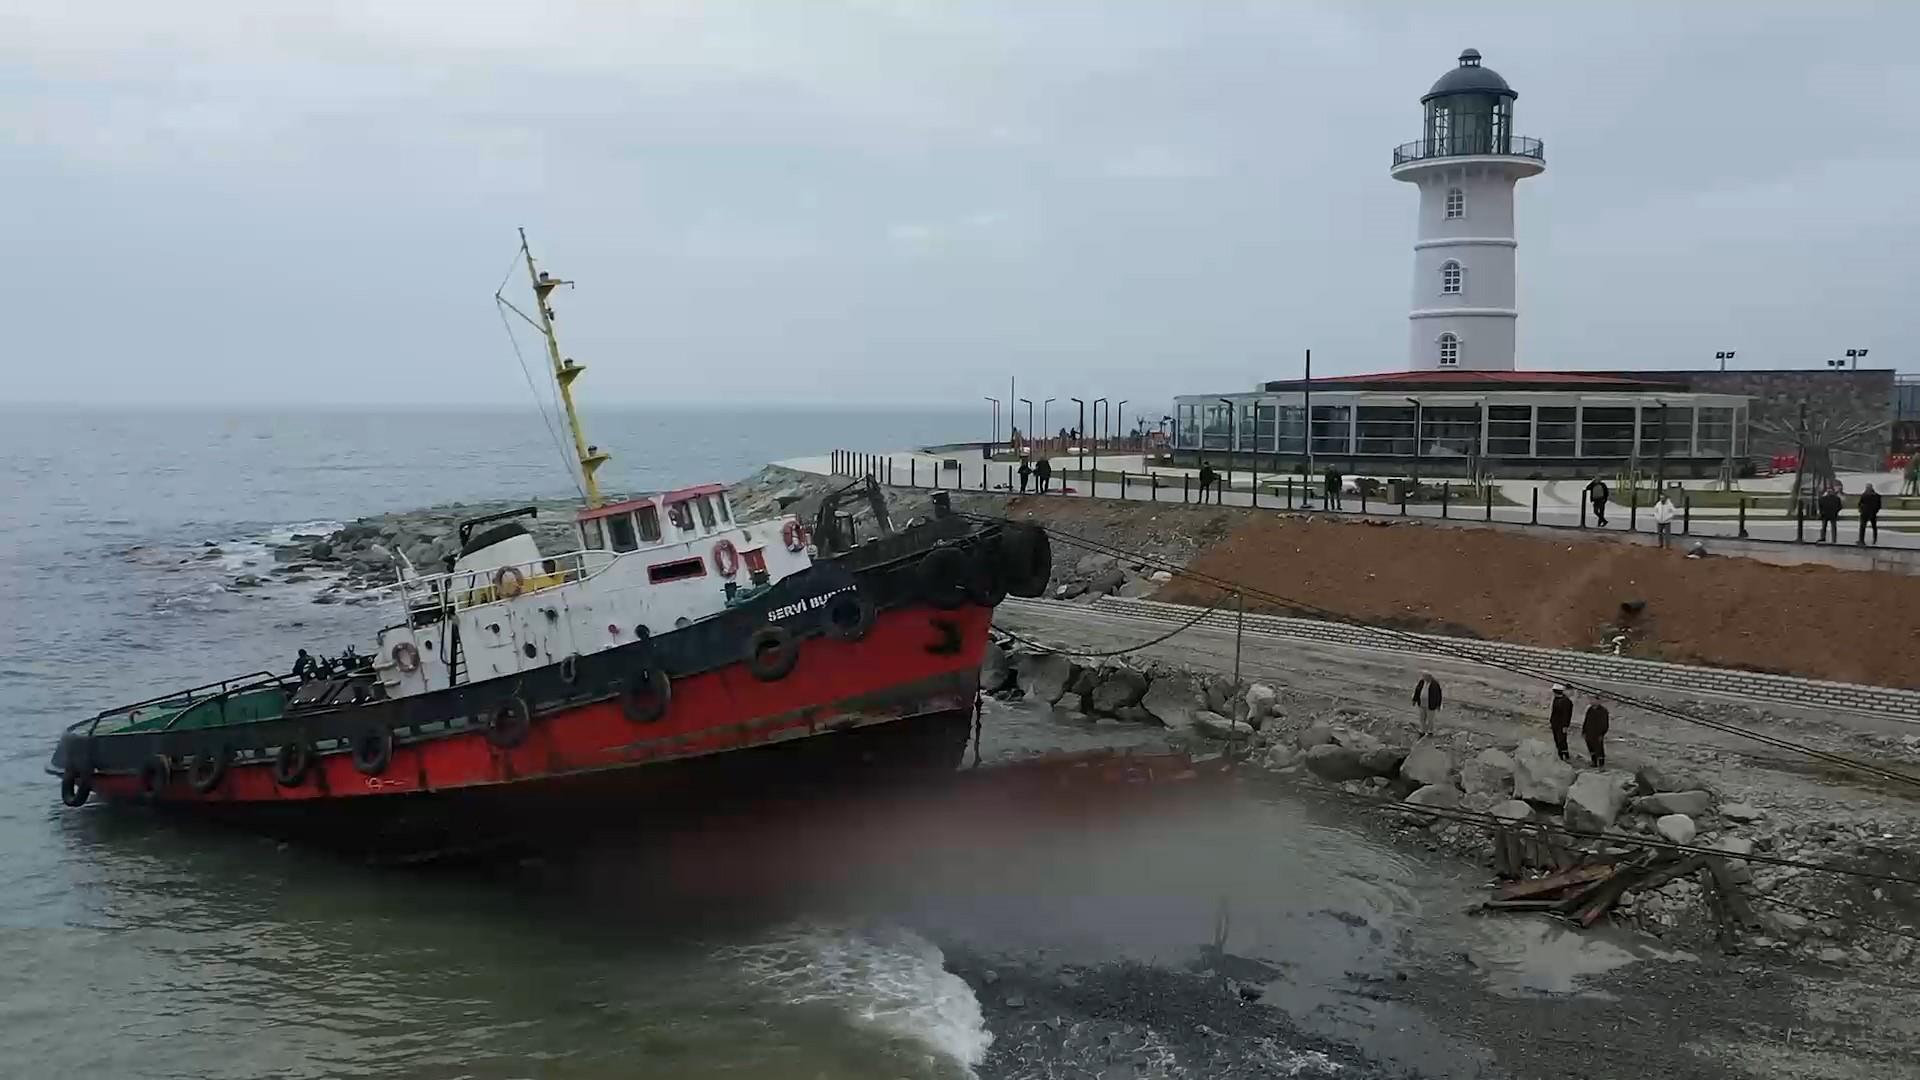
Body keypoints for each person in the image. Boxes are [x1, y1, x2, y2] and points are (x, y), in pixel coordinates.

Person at [1581, 698, 1611, 768]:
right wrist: (1584, 731)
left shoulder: (1603, 711)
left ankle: (1601, 764)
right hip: (1589, 732)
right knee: (1591, 748)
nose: (1592, 701)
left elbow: (1605, 724)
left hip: (1597, 734)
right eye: (1592, 700)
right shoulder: (1590, 710)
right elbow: (1586, 720)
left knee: (1599, 749)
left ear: (1598, 701)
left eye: (1594, 700)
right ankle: (1594, 762)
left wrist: (1602, 734)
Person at [1548, 684, 1574, 762]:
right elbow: (1554, 712)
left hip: (1562, 725)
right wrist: (1551, 721)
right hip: (1555, 723)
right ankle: (1561, 755)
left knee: (1561, 741)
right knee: (1557, 740)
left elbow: (1567, 715)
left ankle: (1564, 755)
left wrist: (1565, 726)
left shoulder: (1566, 701)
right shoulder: (1556, 699)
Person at [1412, 672, 1442, 736]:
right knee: (1422, 718)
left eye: (1425, 677)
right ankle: (1422, 730)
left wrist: (1438, 705)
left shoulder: (1435, 684)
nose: (1424, 678)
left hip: (1431, 705)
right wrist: (1414, 700)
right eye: (1424, 676)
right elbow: (1417, 691)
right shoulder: (1421, 682)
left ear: (1430, 677)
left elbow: (1438, 695)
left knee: (1430, 719)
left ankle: (1430, 731)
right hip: (1422, 704)